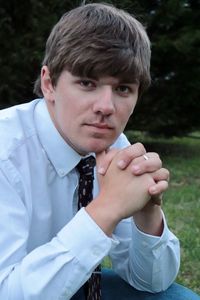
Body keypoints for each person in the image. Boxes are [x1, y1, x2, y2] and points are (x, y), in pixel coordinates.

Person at [0, 2, 199, 300]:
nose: (106, 107)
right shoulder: (6, 153)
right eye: (87, 83)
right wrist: (106, 210)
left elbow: (153, 283)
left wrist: (147, 212)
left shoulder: (116, 146)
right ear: (49, 83)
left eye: (123, 89)